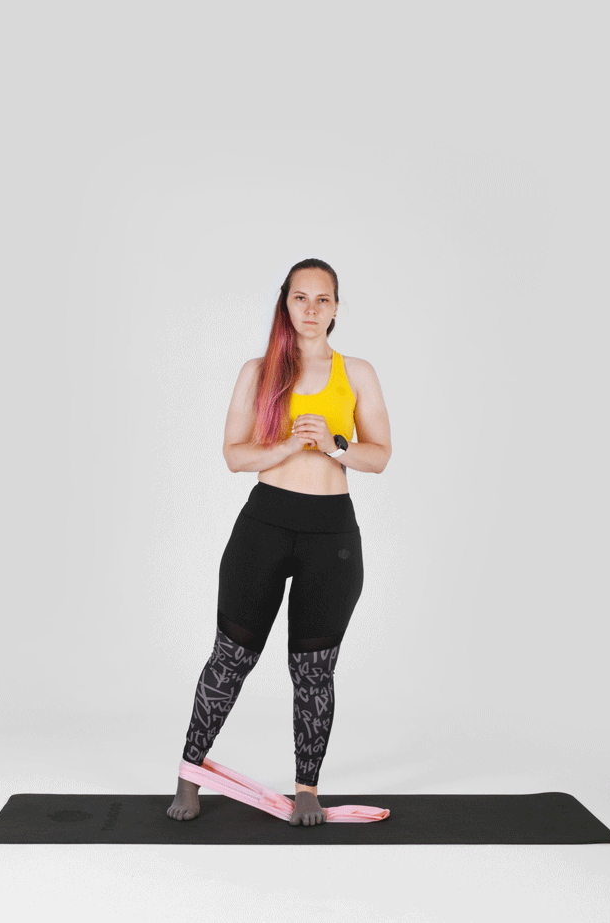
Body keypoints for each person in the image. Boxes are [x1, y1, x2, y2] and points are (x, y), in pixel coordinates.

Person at [167, 259, 392, 826]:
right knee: (230, 659)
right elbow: (234, 455)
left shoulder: (357, 372)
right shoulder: (258, 371)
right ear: (286, 303)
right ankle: (190, 774)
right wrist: (290, 446)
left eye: (323, 299)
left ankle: (307, 788)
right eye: (300, 298)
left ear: (336, 308)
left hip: (331, 535)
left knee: (313, 671)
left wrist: (336, 444)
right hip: (264, 527)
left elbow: (380, 456)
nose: (311, 309)